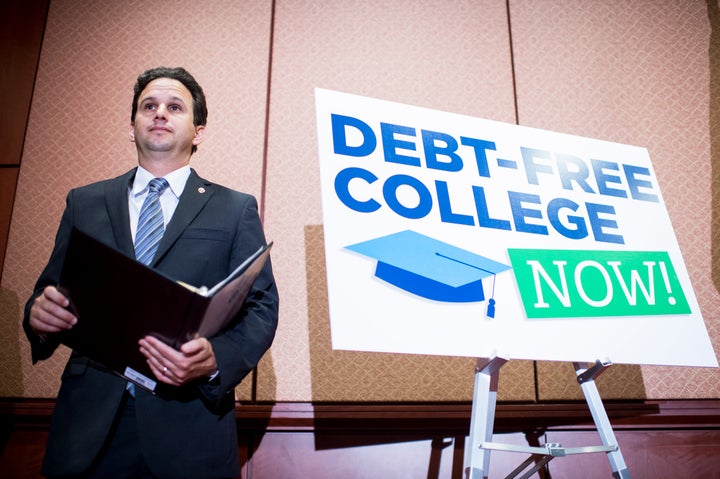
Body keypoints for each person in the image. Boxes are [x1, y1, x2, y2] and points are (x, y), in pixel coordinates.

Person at [23, 66, 279, 479]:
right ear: (132, 127)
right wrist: (38, 317)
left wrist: (216, 361)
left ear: (198, 131)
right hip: (88, 429)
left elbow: (262, 308)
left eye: (174, 106)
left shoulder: (235, 209)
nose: (159, 113)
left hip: (188, 426)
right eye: (149, 106)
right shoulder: (85, 202)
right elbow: (49, 290)